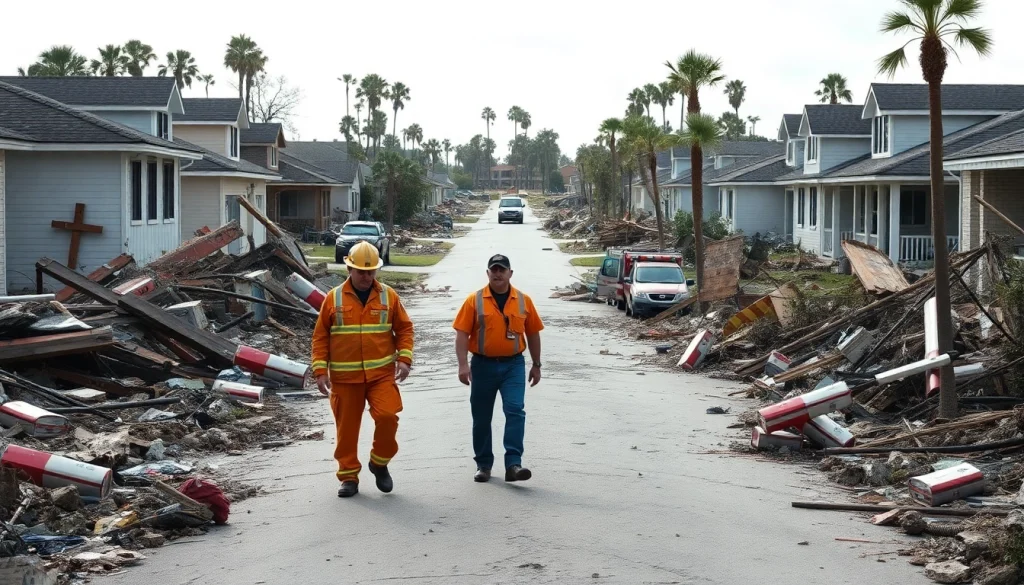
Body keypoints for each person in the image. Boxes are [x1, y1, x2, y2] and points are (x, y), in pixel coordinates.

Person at [311, 241, 414, 498]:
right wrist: (320, 370)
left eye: (371, 272)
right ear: (349, 269)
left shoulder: (389, 296)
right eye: (361, 272)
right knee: (346, 432)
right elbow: (320, 337)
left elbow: (404, 329)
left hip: (380, 375)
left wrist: (404, 358)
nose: (367, 277)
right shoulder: (332, 299)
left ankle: (379, 462)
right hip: (345, 379)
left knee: (388, 417)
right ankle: (348, 478)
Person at [452, 254, 544, 483]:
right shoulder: (474, 301)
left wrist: (537, 365)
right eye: (493, 269)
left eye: (502, 270)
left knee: (515, 410)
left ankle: (513, 464)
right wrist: (463, 365)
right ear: (487, 273)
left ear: (510, 273)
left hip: (513, 365)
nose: (498, 273)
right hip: (482, 366)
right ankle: (483, 465)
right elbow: (462, 334)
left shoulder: (524, 301)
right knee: (481, 417)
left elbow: (533, 333)